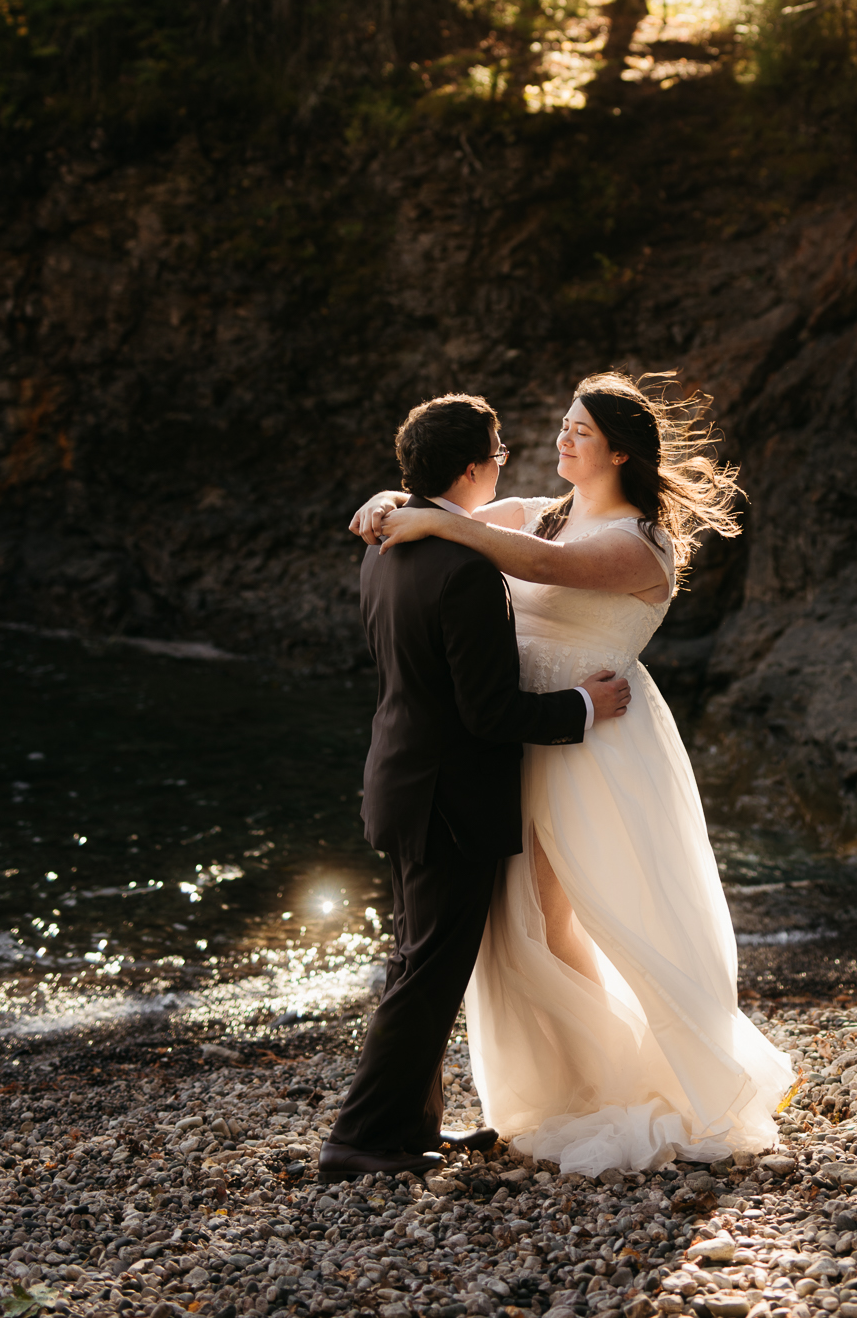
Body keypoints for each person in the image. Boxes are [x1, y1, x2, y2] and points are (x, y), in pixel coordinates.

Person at [354, 371, 794, 1175]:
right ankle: (575, 1083)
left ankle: (663, 1074)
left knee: (613, 915)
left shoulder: (637, 545)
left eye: (578, 432)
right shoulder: (544, 508)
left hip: (597, 740)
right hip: (517, 739)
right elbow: (453, 514)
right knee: (529, 926)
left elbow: (525, 559)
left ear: (620, 451)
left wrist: (427, 521)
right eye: (560, 424)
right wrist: (389, 500)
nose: (559, 439)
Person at [319, 391, 632, 1180]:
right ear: (468, 468)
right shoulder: (462, 570)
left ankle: (410, 1130)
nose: (504, 462)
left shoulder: (388, 540)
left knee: (418, 964)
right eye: (496, 452)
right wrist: (582, 707)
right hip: (446, 801)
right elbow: (489, 713)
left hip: (401, 781)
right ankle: (359, 1139)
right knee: (426, 974)